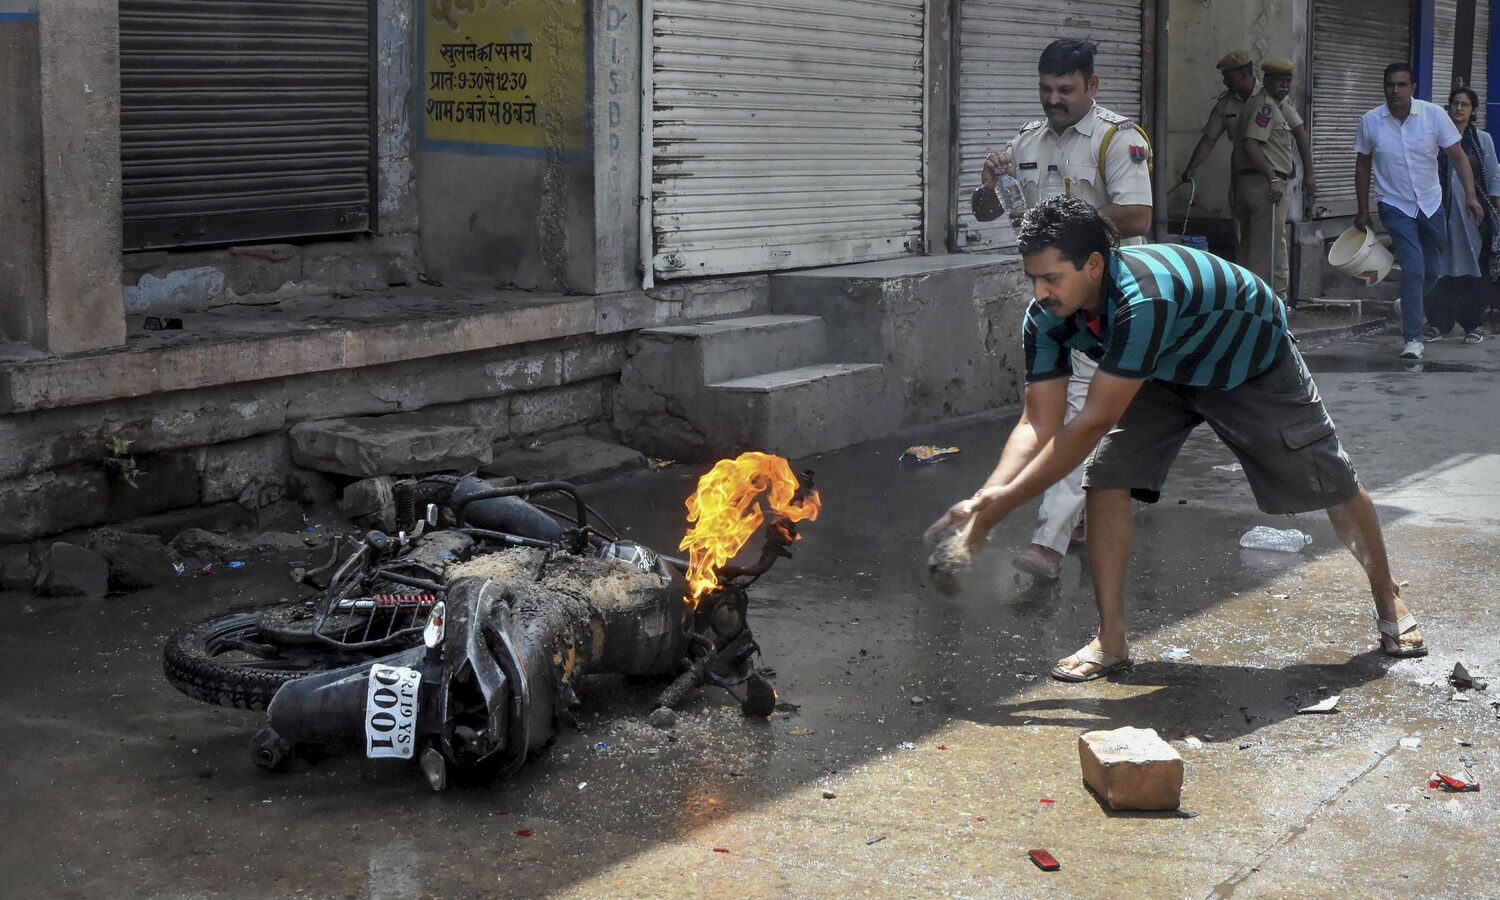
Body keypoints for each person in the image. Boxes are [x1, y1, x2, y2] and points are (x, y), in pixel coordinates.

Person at [926, 196, 1429, 681]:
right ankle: (1111, 639)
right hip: (1162, 368)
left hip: (1246, 357)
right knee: (1107, 477)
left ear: (1095, 266)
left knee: (1328, 478)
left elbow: (1089, 423)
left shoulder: (1142, 301)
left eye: (1051, 278)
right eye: (1032, 278)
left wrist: (998, 510)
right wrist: (984, 497)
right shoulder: (1047, 317)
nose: (1039, 293)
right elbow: (1039, 421)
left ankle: (1386, 594)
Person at [977, 38, 1153, 580]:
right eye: (1046, 89)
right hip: (1054, 301)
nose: (1054, 100)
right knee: (1058, 412)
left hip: (1113, 299)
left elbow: (1138, 216)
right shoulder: (1026, 141)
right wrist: (991, 185)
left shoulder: (1116, 140)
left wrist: (1076, 223)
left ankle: (1047, 547)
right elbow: (992, 213)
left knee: (1081, 413)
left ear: (1092, 86)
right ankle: (1074, 516)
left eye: (1066, 90)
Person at [1355, 63, 1483, 360]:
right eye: (1390, 85)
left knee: (1433, 270)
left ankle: (1409, 302)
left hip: (1430, 202)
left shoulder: (1433, 116)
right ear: (1384, 87)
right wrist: (1363, 209)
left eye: (1402, 85)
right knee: (1413, 268)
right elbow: (1362, 165)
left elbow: (1460, 158)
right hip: (1394, 204)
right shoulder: (1371, 121)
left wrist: (1471, 198)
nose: (1395, 91)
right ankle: (1413, 338)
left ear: (1413, 88)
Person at [1179, 52, 1314, 266]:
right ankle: (1255, 291)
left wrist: (1308, 175)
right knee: (1245, 238)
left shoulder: (1270, 98)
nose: (1225, 81)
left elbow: (1300, 133)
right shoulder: (1227, 104)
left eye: (1229, 77)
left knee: (1270, 244)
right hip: (1244, 179)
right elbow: (1209, 139)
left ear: (1244, 74)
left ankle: (1274, 293)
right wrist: (1191, 168)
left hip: (1269, 180)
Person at [1426, 85, 1499, 344]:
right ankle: (1438, 324)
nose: (1458, 108)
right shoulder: (1436, 138)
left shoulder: (1482, 141)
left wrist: (1494, 211)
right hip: (1441, 213)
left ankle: (1473, 324)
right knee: (1440, 268)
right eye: (1455, 103)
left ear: (1474, 110)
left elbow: (1492, 176)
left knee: (1474, 269)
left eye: (1464, 104)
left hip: (1472, 217)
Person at [1237, 59, 1313, 304]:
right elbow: (1251, 143)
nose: (1284, 85)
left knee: (1262, 246)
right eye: (1279, 80)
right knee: (1264, 252)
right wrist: (1272, 178)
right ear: (1266, 79)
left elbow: (1299, 132)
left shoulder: (1276, 104)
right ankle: (1258, 305)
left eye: (1288, 81)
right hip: (1265, 185)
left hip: (1263, 183)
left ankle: (1266, 301)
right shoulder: (1265, 107)